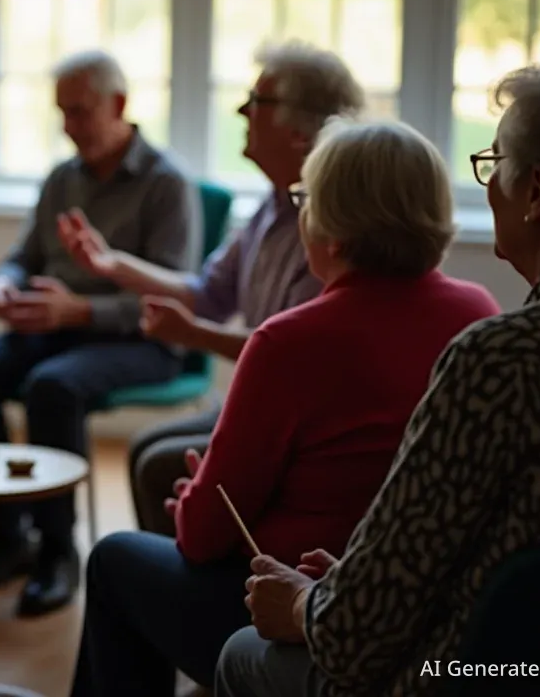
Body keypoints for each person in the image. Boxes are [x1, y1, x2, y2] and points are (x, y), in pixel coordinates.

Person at [68, 118, 500, 695]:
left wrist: (197, 502)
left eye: (306, 199)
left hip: (304, 609)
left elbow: (203, 537)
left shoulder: (289, 340)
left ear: (335, 233)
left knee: (115, 560)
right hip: (429, 609)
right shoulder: (477, 311)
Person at [216, 63, 540, 697]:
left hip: (470, 674)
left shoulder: (501, 359)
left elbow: (357, 638)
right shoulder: (488, 321)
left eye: (496, 162)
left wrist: (306, 604)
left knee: (242, 652)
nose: (490, 183)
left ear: (537, 192)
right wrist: (344, 588)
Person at [60, 41, 364, 536]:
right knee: (146, 450)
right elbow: (206, 294)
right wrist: (113, 264)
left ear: (298, 129)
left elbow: (292, 357)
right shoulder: (271, 207)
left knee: (157, 461)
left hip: (297, 421)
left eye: (257, 101)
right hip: (265, 401)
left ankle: (193, 587)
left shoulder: (328, 227)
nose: (242, 110)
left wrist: (195, 334)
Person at [0, 49, 203, 617]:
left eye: (80, 111)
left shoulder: (167, 183)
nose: (69, 126)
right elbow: (23, 256)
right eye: (62, 112)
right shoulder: (62, 177)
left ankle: (59, 550)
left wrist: (79, 314)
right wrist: (5, 286)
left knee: (53, 387)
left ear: (118, 105)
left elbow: (170, 299)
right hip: (58, 327)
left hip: (142, 341)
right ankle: (11, 532)